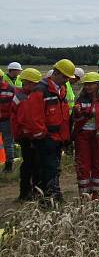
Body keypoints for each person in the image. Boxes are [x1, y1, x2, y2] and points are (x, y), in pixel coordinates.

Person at [24, 59, 74, 202]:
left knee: (55, 168)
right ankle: (50, 198)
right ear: (56, 73)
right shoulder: (40, 90)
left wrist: (65, 138)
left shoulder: (61, 90)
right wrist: (43, 137)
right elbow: (34, 117)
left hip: (58, 137)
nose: (66, 81)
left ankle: (53, 195)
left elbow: (63, 117)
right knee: (48, 168)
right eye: (65, 77)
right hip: (46, 138)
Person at [72, 72, 99, 199]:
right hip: (83, 136)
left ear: (98, 85)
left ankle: (96, 193)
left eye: (91, 84)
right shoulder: (81, 100)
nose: (88, 87)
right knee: (83, 165)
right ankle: (84, 195)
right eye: (86, 84)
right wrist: (79, 112)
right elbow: (76, 118)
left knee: (98, 164)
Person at [11, 68, 42, 201]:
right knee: (29, 164)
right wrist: (20, 135)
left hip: (36, 135)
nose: (26, 86)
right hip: (27, 137)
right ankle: (25, 193)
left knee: (36, 164)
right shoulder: (21, 98)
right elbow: (18, 119)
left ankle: (35, 191)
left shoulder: (35, 95)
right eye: (25, 83)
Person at [0, 68, 16, 172]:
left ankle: (9, 166)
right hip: (5, 119)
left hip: (6, 120)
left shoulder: (10, 89)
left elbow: (14, 106)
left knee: (8, 143)